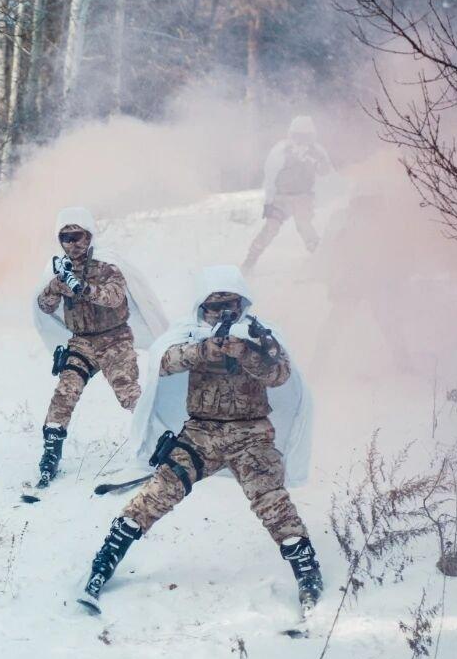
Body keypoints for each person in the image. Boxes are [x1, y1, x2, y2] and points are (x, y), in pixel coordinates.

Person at [79, 264, 321, 616]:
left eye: (231, 304)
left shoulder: (258, 334)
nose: (223, 312)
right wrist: (204, 351)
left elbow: (280, 374)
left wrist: (248, 353)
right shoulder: (190, 334)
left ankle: (307, 573)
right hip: (200, 433)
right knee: (156, 495)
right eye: (215, 305)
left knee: (273, 503)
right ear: (201, 307)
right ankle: (103, 563)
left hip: (250, 434)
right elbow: (164, 361)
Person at [32, 206, 164, 489]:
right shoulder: (60, 271)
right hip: (81, 341)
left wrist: (82, 288)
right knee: (64, 394)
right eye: (65, 238)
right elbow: (43, 306)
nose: (71, 243)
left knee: (127, 391)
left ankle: (156, 446)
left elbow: (115, 298)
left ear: (89, 236)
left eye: (77, 236)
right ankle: (50, 455)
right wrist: (57, 286)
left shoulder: (107, 266)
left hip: (114, 339)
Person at [242, 116, 333, 273]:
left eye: (306, 136)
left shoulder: (316, 151)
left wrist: (315, 162)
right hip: (281, 199)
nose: (302, 140)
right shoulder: (282, 150)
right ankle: (249, 262)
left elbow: (327, 174)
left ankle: (321, 261)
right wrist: (269, 200)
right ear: (292, 135)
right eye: (299, 136)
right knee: (270, 229)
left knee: (305, 228)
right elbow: (270, 174)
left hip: (303, 198)